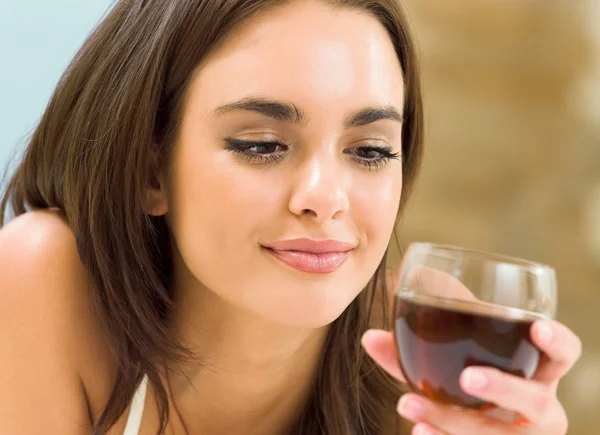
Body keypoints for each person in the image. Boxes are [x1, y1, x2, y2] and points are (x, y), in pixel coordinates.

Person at [0, 1, 581, 434]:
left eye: (370, 151)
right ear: (150, 172)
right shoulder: (41, 281)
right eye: (261, 145)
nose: (326, 198)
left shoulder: (423, 354)